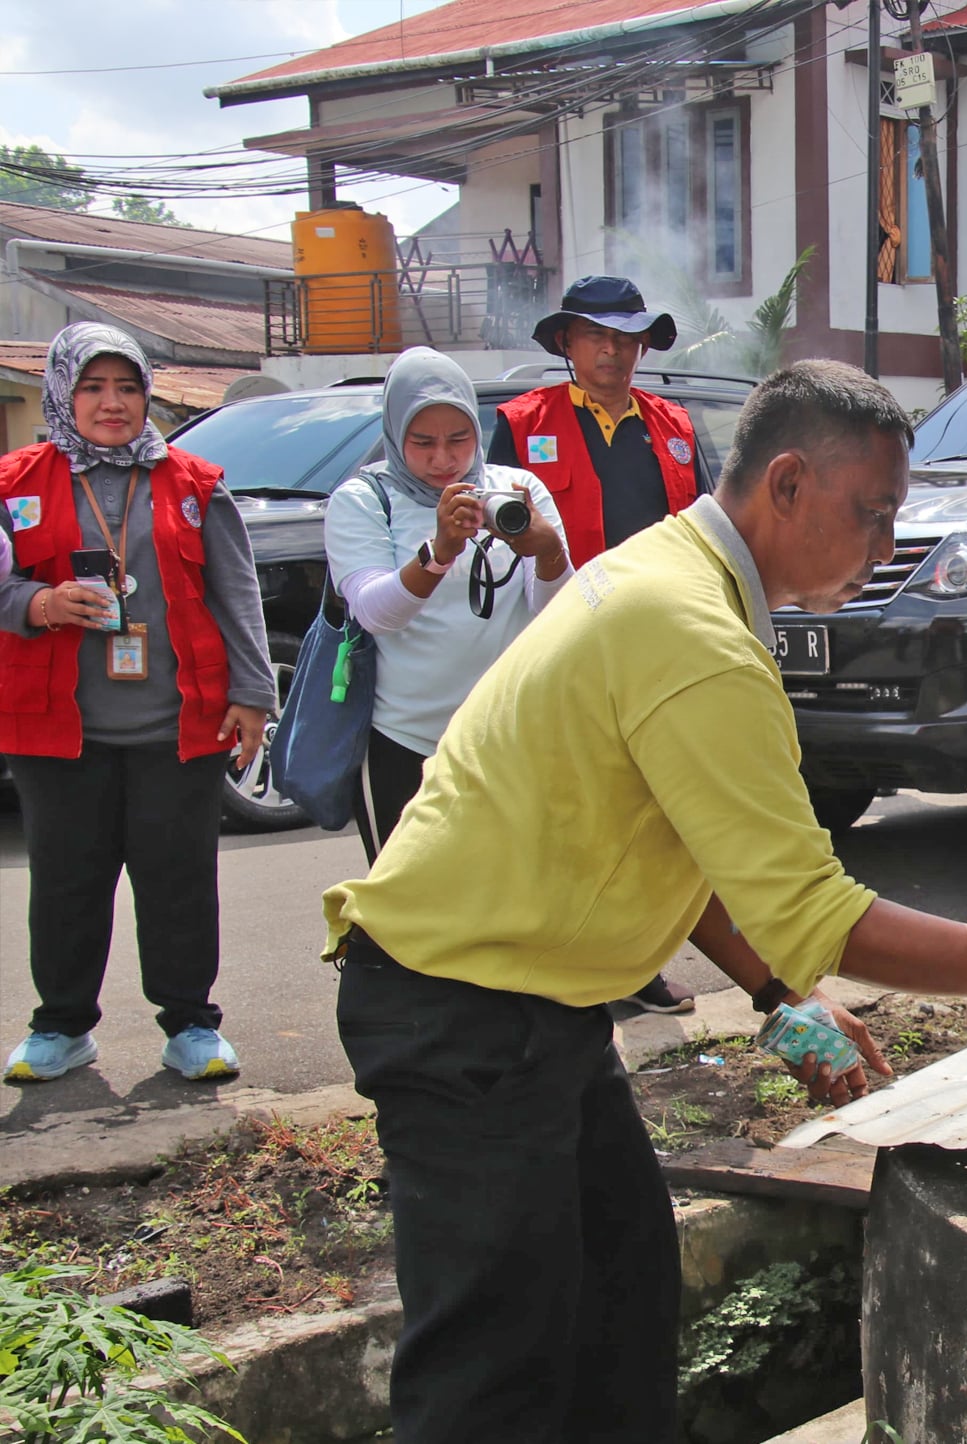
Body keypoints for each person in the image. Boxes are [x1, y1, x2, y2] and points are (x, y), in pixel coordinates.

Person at [323, 359, 967, 1443]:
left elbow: (682, 840)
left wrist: (773, 993)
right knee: (492, 1371)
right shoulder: (688, 628)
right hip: (461, 1008)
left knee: (621, 1307)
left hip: (532, 1005)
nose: (885, 548)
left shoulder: (677, 581)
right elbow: (823, 912)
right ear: (785, 483)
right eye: (872, 514)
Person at [0, 323, 277, 1082]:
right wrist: (38, 602)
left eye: (126, 387)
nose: (112, 403)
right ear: (64, 393)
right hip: (59, 730)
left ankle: (190, 1023)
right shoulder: (14, 482)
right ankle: (61, 1026)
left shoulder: (193, 482)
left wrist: (252, 693)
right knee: (66, 879)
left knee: (177, 877)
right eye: (92, 387)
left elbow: (235, 590)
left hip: (175, 725)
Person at [491, 273, 703, 1014]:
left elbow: (704, 529)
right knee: (566, 803)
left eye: (626, 337)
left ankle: (635, 961)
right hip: (558, 642)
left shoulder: (672, 424)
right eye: (596, 336)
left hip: (653, 641)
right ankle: (564, 960)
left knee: (645, 804)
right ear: (567, 343)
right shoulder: (520, 422)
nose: (613, 351)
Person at [323, 347, 571, 847]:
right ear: (395, 434)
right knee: (410, 915)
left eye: (459, 439)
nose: (443, 458)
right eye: (423, 442)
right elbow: (374, 612)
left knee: (514, 908)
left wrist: (548, 552)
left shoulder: (517, 489)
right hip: (406, 742)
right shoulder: (364, 499)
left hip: (509, 739)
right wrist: (438, 554)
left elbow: (556, 615)